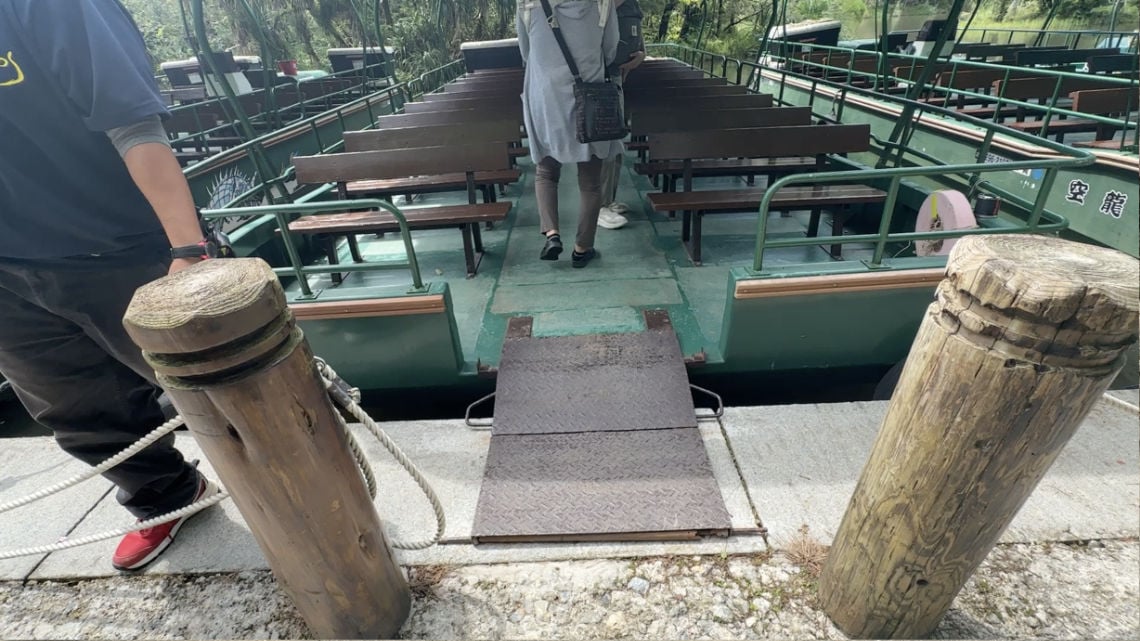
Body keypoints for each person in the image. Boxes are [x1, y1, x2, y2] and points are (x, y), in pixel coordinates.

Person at [0, 0, 220, 571]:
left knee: (225, 385)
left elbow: (132, 121)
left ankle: (315, 481)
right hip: (7, 268)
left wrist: (189, 249)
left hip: (118, 245)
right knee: (75, 407)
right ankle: (167, 495)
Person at [517, 0, 622, 268]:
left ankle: (552, 234)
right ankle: (582, 248)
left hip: (546, 96)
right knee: (590, 181)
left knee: (546, 171)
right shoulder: (602, 4)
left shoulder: (528, 3)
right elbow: (610, 50)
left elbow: (526, 52)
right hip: (591, 97)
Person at [597, 0, 645, 231]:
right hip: (598, 78)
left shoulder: (632, 6)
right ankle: (599, 205)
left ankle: (609, 198)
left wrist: (640, 55)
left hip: (617, 76)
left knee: (616, 141)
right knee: (603, 142)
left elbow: (636, 31)